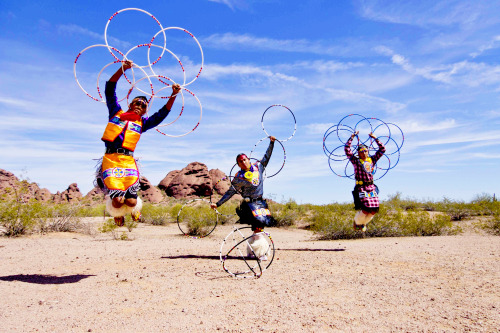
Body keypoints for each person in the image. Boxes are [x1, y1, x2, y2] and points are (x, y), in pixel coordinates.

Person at [96, 60, 181, 226]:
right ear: (130, 104)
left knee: (132, 202)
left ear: (144, 111)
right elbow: (110, 88)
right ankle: (116, 213)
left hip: (128, 162)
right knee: (118, 201)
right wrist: (123, 69)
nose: (140, 106)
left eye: (143, 106)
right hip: (111, 161)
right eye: (137, 103)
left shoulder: (142, 124)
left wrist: (174, 94)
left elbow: (161, 115)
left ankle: (134, 209)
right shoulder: (116, 113)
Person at [210, 136, 276, 260]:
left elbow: (267, 156)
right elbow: (230, 192)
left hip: (260, 202)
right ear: (238, 164)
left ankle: (252, 251)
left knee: (258, 228)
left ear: (248, 159)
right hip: (250, 205)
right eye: (241, 161)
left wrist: (271, 143)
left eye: (245, 159)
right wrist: (218, 204)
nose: (243, 162)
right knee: (258, 228)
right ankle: (260, 253)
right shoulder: (239, 177)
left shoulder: (258, 167)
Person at [344, 131, 386, 231]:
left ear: (368, 151)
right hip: (361, 187)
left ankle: (362, 223)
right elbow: (347, 150)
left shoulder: (372, 160)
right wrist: (352, 137)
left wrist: (375, 138)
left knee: (374, 209)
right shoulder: (356, 161)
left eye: (365, 151)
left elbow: (382, 149)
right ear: (358, 153)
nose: (363, 153)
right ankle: (357, 222)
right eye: (361, 151)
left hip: (371, 187)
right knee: (366, 208)